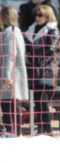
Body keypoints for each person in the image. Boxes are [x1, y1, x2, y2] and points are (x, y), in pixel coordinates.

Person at [25, 4, 60, 134]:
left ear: (47, 15)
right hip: (34, 69)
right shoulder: (31, 29)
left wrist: (32, 55)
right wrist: (27, 55)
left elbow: (51, 50)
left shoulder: (53, 30)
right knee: (38, 99)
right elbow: (27, 47)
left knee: (42, 98)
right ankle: (42, 126)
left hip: (47, 70)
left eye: (40, 15)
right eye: (36, 15)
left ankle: (46, 128)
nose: (37, 17)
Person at [1, 6, 29, 137]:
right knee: (13, 103)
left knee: (8, 103)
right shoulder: (16, 31)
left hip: (11, 74)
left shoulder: (8, 32)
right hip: (16, 72)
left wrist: (6, 76)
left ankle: (11, 132)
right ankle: (15, 132)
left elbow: (9, 55)